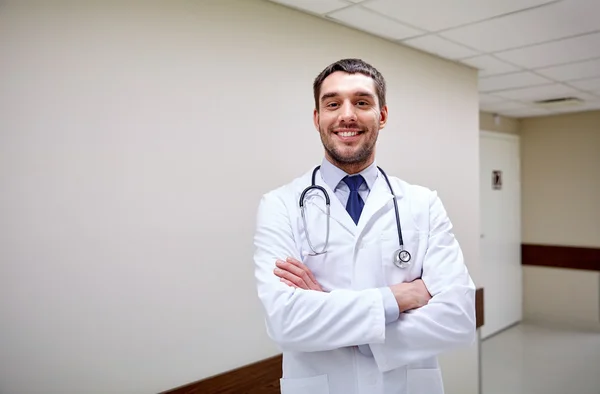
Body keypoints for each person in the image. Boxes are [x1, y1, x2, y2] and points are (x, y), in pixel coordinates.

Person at [253, 58, 476, 394]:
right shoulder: (280, 205)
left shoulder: (422, 203)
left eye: (361, 102)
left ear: (382, 116)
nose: (347, 115)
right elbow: (285, 322)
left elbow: (458, 318)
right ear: (317, 119)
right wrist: (398, 299)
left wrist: (332, 315)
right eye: (332, 103)